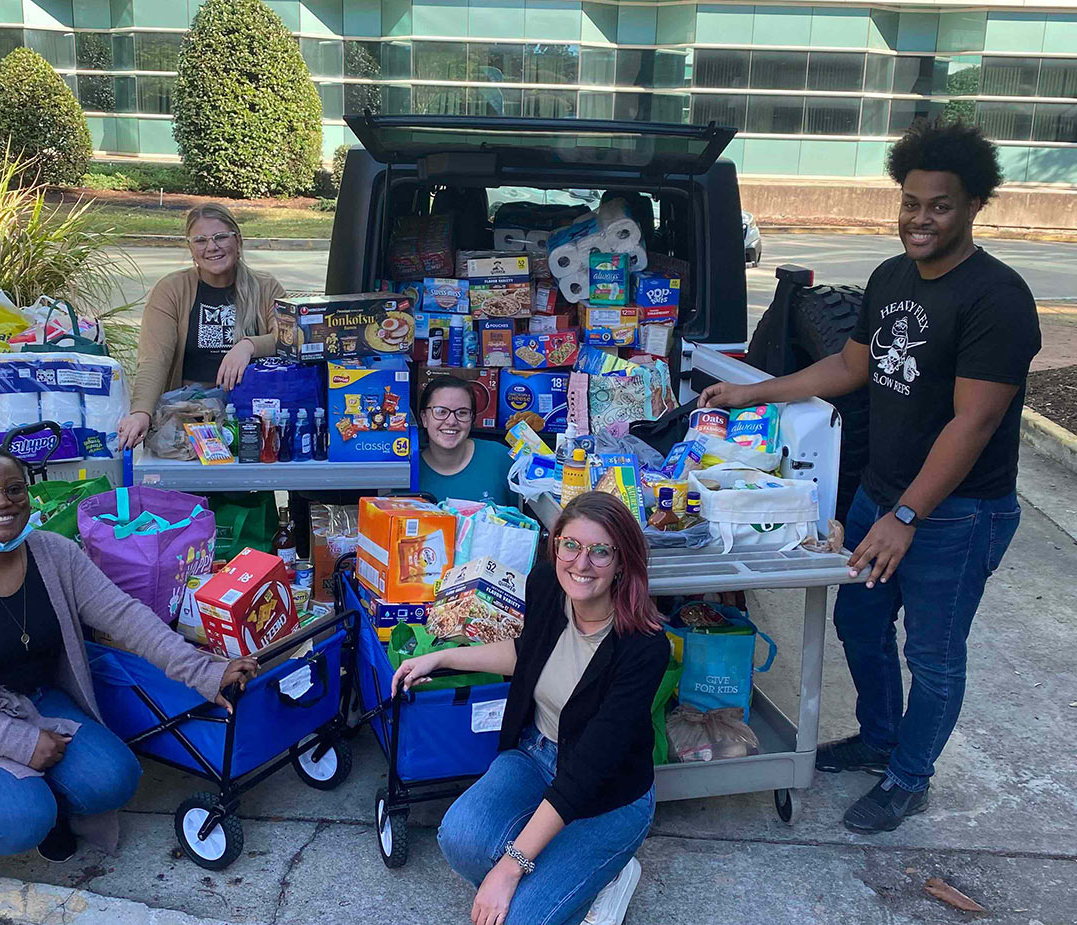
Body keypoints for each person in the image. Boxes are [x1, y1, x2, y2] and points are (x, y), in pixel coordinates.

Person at [699, 120, 1041, 833]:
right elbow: (852, 367)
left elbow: (971, 423)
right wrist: (751, 391)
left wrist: (906, 516)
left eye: (939, 204)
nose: (920, 218)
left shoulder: (997, 299)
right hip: (883, 492)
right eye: (911, 201)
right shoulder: (891, 277)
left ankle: (910, 776)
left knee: (934, 652)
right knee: (858, 619)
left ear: (975, 203)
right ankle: (880, 737)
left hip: (956, 511)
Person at [0, 447, 259, 870]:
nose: (2, 502)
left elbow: (125, 616)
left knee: (114, 780)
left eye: (14, 489)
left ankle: (46, 799)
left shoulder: (56, 555)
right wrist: (20, 743)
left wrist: (205, 672)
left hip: (38, 702)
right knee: (19, 821)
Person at [393, 492, 668, 925]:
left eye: (600, 551)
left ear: (621, 563)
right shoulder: (545, 585)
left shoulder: (644, 649)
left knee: (521, 917)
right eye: (571, 545)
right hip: (535, 754)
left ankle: (606, 874)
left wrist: (510, 866)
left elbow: (589, 769)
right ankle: (579, 872)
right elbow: (529, 653)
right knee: (460, 838)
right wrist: (442, 657)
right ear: (555, 544)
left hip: (609, 794)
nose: (581, 563)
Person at [118, 203, 284, 449]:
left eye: (220, 237)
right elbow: (154, 358)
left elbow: (290, 337)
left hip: (252, 419)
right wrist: (141, 411)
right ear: (190, 248)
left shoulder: (266, 287)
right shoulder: (171, 290)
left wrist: (249, 346)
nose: (212, 247)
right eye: (200, 240)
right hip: (187, 417)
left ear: (237, 241)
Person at [418, 376, 517, 507]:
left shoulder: (501, 458)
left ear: (472, 419)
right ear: (424, 418)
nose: (451, 421)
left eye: (462, 413)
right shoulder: (409, 471)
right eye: (441, 412)